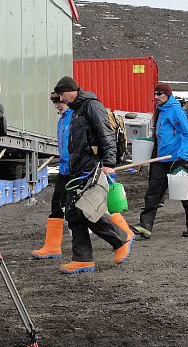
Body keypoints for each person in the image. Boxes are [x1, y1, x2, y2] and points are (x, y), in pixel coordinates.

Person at [53, 76, 133, 274]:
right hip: (77, 167)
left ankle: (120, 240)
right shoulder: (76, 110)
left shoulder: (91, 107)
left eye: (62, 94)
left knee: (86, 210)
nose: (61, 99)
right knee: (72, 212)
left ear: (69, 91)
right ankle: (82, 259)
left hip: (91, 166)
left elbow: (106, 135)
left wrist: (108, 163)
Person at [134, 82, 188, 239]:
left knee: (183, 193)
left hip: (177, 158)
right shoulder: (161, 110)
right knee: (153, 191)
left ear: (167, 95)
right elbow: (160, 134)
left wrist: (182, 155)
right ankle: (145, 226)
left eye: (159, 94)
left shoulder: (175, 110)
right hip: (161, 158)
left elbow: (186, 134)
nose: (156, 97)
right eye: (155, 94)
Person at [31, 91, 73, 258]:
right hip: (65, 169)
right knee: (57, 204)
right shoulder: (62, 120)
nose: (56, 106)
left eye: (59, 102)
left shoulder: (74, 117)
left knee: (88, 209)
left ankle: (121, 236)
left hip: (76, 170)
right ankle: (52, 246)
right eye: (54, 103)